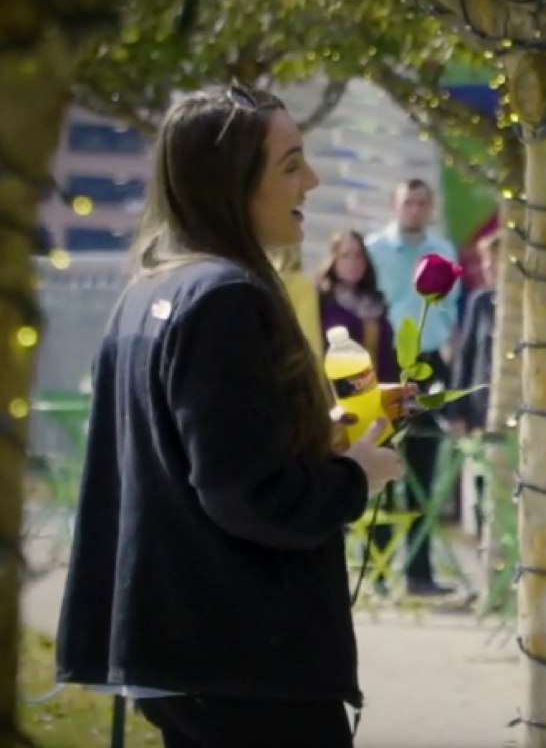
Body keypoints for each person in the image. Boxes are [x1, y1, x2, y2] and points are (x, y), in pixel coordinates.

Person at [55, 84, 408, 748]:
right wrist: (354, 476)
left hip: (186, 655)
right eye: (290, 164)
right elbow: (244, 493)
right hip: (242, 663)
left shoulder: (153, 289)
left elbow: (204, 451)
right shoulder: (222, 297)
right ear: (229, 184)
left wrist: (322, 431)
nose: (313, 178)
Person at [366, 178, 461, 597]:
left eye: (423, 203)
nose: (415, 209)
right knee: (382, 466)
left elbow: (450, 311)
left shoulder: (444, 251)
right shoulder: (374, 251)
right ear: (395, 205)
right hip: (385, 363)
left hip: (427, 363)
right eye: (409, 202)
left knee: (423, 467)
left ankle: (419, 574)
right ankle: (380, 572)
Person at [315, 229, 401, 593]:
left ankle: (380, 571)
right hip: (338, 408)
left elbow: (388, 353)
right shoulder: (322, 302)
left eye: (358, 256)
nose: (352, 262)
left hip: (378, 404)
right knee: (343, 480)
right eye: (345, 255)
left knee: (384, 488)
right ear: (333, 260)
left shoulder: (375, 302)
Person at [447, 231, 500, 540]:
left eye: (495, 261)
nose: (489, 268)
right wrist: (456, 410)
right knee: (481, 492)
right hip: (480, 411)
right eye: (485, 261)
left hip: (513, 413)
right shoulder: (480, 301)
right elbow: (465, 356)